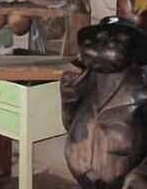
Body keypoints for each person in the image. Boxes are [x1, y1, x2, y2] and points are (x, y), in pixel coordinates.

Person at [61, 16, 147, 189]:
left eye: (115, 39)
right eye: (97, 39)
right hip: (84, 182)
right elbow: (68, 123)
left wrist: (141, 174)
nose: (102, 45)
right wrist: (69, 96)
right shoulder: (83, 84)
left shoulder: (141, 93)